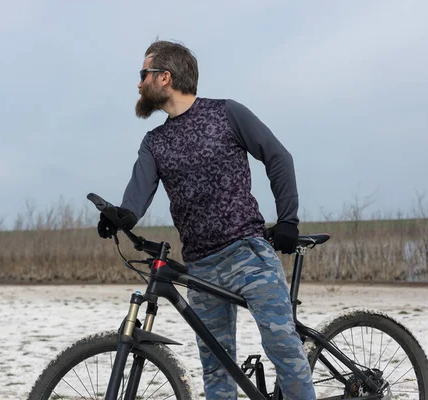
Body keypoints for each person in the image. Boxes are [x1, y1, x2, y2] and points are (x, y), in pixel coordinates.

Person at [97, 39, 316, 400]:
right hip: (200, 267)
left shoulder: (227, 113)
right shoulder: (155, 143)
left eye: (143, 74)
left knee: (285, 353)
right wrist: (121, 218)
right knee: (216, 370)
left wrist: (288, 219)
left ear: (164, 77)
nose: (138, 83)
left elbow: (278, 157)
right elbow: (138, 193)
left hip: (248, 253)